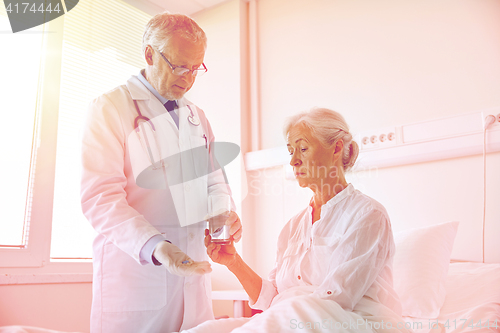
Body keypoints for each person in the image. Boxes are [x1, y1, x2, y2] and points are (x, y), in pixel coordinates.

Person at [80, 12, 242, 333]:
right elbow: (100, 199)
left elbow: (215, 185)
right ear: (150, 54)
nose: (188, 78)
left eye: (196, 68)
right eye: (179, 65)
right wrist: (156, 246)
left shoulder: (197, 117)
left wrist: (225, 215)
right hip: (138, 281)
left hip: (193, 284)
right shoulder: (111, 107)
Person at [200, 108, 412, 333]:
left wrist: (282, 311)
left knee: (293, 311)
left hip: (352, 323)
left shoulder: (368, 215)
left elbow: (337, 299)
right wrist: (234, 262)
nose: (293, 161)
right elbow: (272, 299)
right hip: (294, 320)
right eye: (291, 151)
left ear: (337, 148)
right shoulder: (291, 228)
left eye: (302, 149)